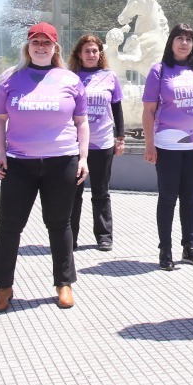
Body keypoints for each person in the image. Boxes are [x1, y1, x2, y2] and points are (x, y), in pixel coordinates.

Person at [0, 23, 88, 313]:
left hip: (62, 161)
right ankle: (3, 287)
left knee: (59, 224)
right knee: (9, 226)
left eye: (47, 42)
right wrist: (1, 152)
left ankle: (64, 283)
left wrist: (82, 159)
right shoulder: (10, 79)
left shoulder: (70, 79)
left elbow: (82, 123)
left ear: (55, 47)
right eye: (35, 42)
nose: (41, 46)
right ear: (27, 46)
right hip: (20, 163)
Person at [142, 24, 193, 271]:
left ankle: (188, 247)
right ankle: (165, 250)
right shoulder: (159, 71)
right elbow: (149, 111)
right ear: (171, 42)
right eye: (179, 38)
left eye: (189, 39)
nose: (184, 43)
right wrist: (149, 145)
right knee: (168, 198)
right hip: (167, 146)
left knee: (190, 198)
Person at [68, 34, 124, 252]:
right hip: (74, 145)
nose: (91, 54)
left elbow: (117, 108)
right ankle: (70, 236)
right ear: (79, 55)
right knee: (74, 192)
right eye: (87, 51)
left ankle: (104, 236)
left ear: (100, 54)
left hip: (102, 143)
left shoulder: (109, 76)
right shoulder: (71, 78)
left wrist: (121, 136)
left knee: (101, 192)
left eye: (95, 51)